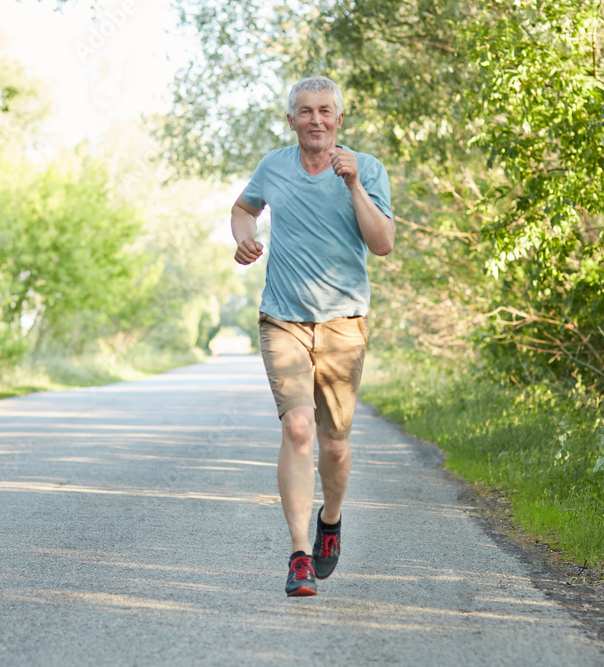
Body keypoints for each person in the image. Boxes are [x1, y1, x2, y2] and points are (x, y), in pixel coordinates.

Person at [231, 76, 394, 596]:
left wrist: (352, 185)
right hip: (283, 318)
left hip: (343, 324)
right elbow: (243, 208)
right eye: (305, 111)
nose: (316, 120)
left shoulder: (366, 170)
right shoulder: (274, 166)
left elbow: (383, 243)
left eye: (325, 111)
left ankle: (332, 519)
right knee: (299, 429)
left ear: (339, 119)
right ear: (291, 120)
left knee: (336, 448)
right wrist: (245, 236)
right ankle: (299, 554)